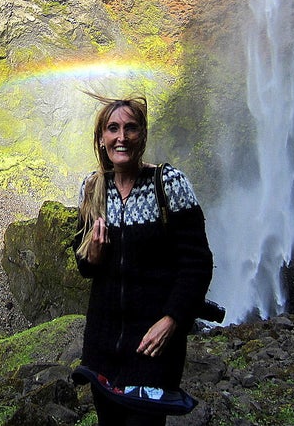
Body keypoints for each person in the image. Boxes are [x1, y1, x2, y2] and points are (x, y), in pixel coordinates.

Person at [73, 94, 213, 425]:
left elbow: (198, 263)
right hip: (102, 348)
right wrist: (91, 255)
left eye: (130, 128)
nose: (121, 137)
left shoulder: (169, 183)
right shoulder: (92, 188)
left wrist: (173, 320)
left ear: (142, 135)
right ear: (102, 138)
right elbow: (85, 267)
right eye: (113, 129)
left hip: (153, 348)